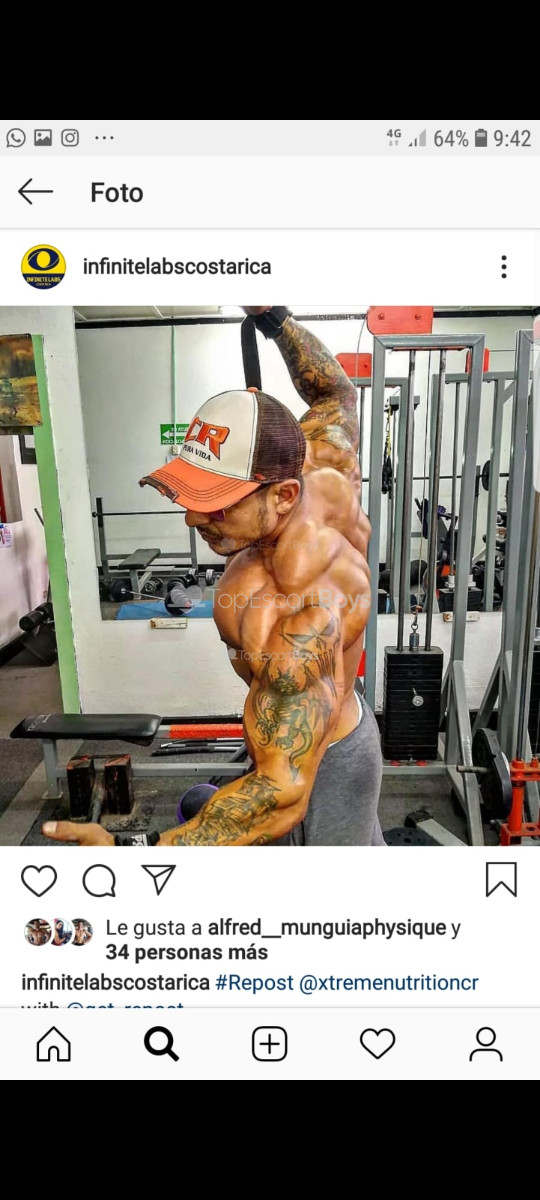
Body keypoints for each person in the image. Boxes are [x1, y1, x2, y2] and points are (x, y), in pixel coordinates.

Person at [43, 307, 384, 848]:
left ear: (283, 496)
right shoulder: (322, 459)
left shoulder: (299, 614)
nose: (192, 518)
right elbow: (336, 392)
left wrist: (141, 852)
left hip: (323, 770)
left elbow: (281, 790)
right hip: (332, 718)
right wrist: (277, 321)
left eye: (216, 503)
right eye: (192, 492)